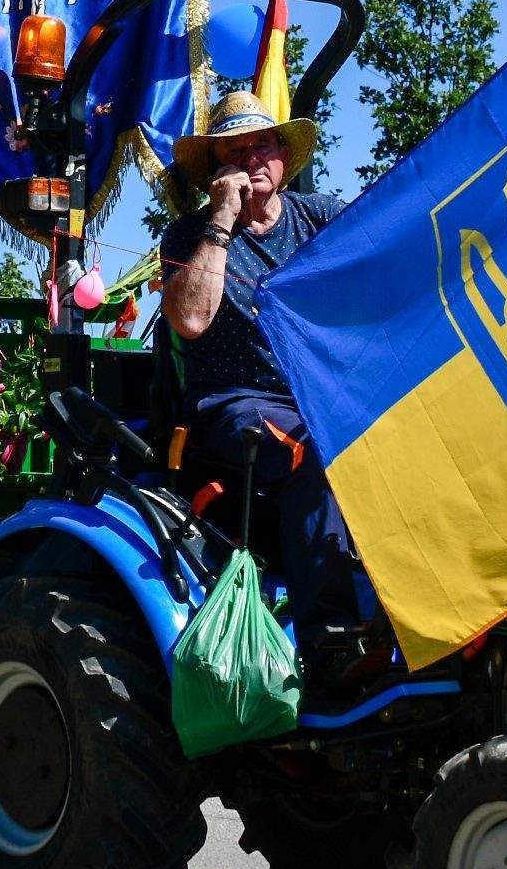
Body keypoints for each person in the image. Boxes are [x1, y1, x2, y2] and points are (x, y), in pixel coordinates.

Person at [157, 91, 377, 684]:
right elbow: (190, 320)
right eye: (235, 152)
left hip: (325, 393)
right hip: (236, 404)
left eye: (262, 145)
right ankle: (330, 645)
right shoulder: (188, 238)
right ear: (216, 171)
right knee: (312, 450)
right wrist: (223, 219)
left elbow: (388, 257)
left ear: (283, 154)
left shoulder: (323, 217)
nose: (253, 159)